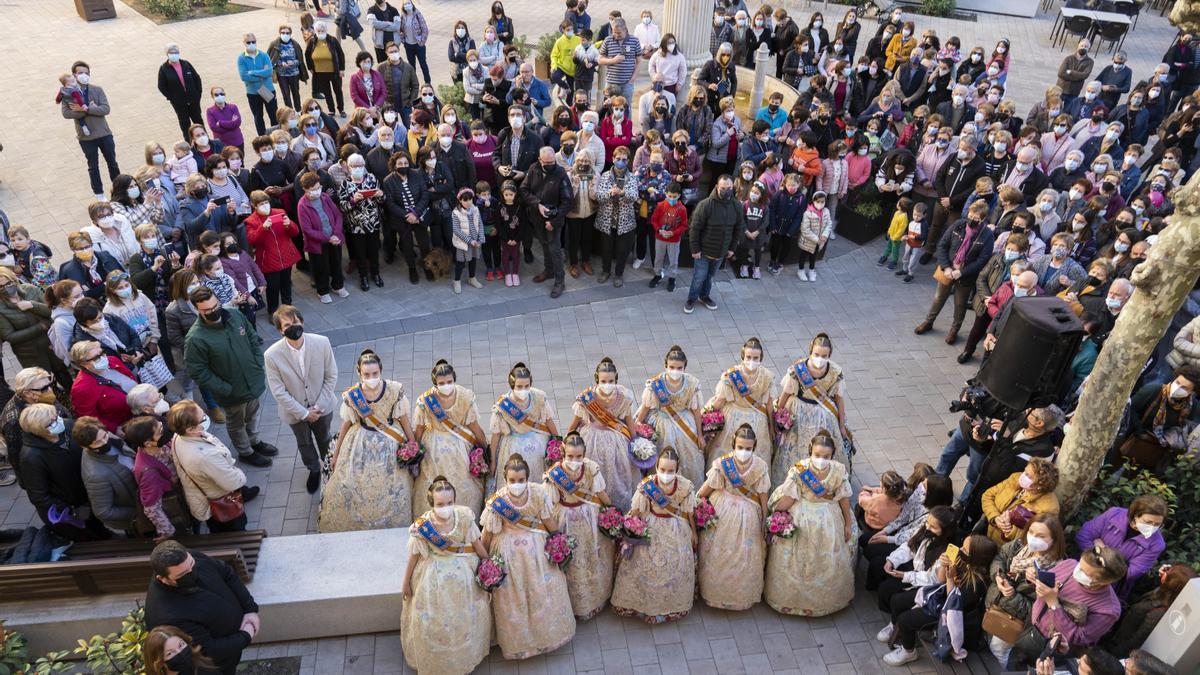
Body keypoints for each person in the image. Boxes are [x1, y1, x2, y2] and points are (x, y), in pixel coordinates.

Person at [481, 453, 576, 658]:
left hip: (537, 550)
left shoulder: (538, 493)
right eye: (512, 480)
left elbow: (549, 522)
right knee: (513, 598)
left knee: (541, 591)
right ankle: (519, 644)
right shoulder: (497, 503)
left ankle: (545, 637)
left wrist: (559, 542)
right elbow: (487, 534)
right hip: (508, 554)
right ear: (505, 480)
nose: (517, 484)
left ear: (527, 478)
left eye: (521, 480)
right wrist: (483, 560)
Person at [400, 476, 492, 674]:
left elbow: (477, 545)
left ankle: (466, 655)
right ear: (432, 503)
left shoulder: (465, 517)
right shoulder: (423, 527)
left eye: (450, 502)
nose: (446, 507)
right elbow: (414, 557)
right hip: (433, 578)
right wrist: (405, 582)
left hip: (464, 576)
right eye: (440, 504)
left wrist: (489, 566)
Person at [320, 348, 414, 531]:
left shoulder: (395, 390)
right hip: (358, 443)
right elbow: (346, 425)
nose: (371, 377)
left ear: (381, 370)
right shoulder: (353, 395)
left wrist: (413, 445)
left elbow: (404, 420)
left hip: (390, 443)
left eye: (375, 373)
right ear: (359, 373)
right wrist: (337, 454)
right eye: (366, 374)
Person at [765, 431, 855, 616]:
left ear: (832, 455)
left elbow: (844, 499)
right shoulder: (802, 470)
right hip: (812, 518)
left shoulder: (836, 470)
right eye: (817, 455)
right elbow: (791, 498)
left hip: (821, 518)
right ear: (810, 452)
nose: (821, 459)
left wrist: (847, 523)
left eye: (826, 456)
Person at [185, 286, 277, 467]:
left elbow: (251, 336)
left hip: (252, 380)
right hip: (231, 392)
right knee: (236, 423)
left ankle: (254, 441)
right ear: (197, 310)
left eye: (215, 306)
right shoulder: (196, 338)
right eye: (207, 310)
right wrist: (224, 388)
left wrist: (258, 363)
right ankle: (246, 452)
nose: (213, 311)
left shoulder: (234, 315)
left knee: (252, 415)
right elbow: (198, 371)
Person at [144, 540, 260, 675]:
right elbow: (207, 649)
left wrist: (249, 609)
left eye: (192, 565)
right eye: (182, 575)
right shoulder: (167, 615)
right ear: (162, 579)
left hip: (234, 645)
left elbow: (226, 573)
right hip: (218, 665)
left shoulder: (187, 558)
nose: (192, 572)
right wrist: (245, 635)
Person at [1005, 545, 1127, 670]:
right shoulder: (1069, 564)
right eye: (1080, 564)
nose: (1077, 570)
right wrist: (1034, 580)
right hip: (1031, 625)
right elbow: (1043, 590)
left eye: (1084, 572)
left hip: (1052, 647)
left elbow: (1079, 637)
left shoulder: (1108, 609)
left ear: (1103, 582)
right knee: (1013, 662)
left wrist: (1053, 603)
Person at [884, 534, 998, 666]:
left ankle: (908, 651)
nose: (960, 549)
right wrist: (944, 565)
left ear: (976, 557)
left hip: (950, 613)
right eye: (962, 545)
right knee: (898, 600)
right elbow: (941, 580)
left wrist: (951, 578)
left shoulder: (976, 583)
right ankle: (895, 629)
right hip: (940, 596)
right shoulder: (963, 561)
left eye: (965, 550)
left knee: (905, 620)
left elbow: (953, 603)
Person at [611, 448, 697, 622]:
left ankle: (671, 606)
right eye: (663, 470)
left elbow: (689, 513)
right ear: (657, 467)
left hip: (676, 529)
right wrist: (628, 529)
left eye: (671, 471)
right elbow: (635, 510)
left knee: (675, 568)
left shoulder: (685, 487)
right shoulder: (647, 486)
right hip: (650, 527)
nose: (666, 474)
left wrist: (694, 532)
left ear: (677, 469)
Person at [263, 306, 336, 494]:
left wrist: (318, 407)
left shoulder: (322, 343)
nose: (293, 326)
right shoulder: (271, 355)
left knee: (325, 438)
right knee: (304, 443)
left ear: (302, 322)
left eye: (295, 322)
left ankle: (329, 465)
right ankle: (314, 469)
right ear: (280, 330)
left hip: (323, 407)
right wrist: (303, 413)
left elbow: (331, 376)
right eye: (287, 325)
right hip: (295, 413)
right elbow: (278, 391)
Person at [697, 424, 769, 610]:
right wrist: (696, 502)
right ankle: (715, 594)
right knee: (717, 553)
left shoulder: (760, 466)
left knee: (744, 555)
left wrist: (764, 518)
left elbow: (762, 494)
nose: (743, 451)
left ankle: (740, 595)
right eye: (740, 447)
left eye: (748, 448)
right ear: (733, 444)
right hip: (722, 511)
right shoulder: (722, 464)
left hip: (748, 514)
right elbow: (708, 487)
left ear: (754, 447)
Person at [543, 432, 614, 619]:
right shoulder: (554, 475)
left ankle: (596, 598)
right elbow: (549, 505)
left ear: (584, 454)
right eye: (570, 456)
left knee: (593, 556)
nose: (574, 460)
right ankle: (575, 604)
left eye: (579, 457)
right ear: (563, 453)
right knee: (574, 563)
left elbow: (601, 493)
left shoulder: (591, 468)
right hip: (565, 519)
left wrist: (613, 512)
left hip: (590, 516)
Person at [19, 403, 112, 541]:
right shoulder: (32, 457)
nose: (58, 422)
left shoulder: (68, 427)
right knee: (86, 537)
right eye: (51, 423)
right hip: (69, 510)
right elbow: (38, 495)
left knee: (98, 527)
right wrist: (70, 511)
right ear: (39, 429)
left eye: (56, 417)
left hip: (86, 497)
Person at [986, 513, 1068, 665]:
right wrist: (998, 575)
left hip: (1011, 620)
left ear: (1054, 540)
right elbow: (1000, 558)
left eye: (1041, 536)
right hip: (994, 606)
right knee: (989, 639)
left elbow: (1037, 612)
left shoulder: (1054, 573)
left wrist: (1013, 595)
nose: (1033, 538)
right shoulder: (1020, 546)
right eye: (1031, 532)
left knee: (998, 651)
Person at [168, 399, 259, 533]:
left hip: (200, 495)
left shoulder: (178, 436)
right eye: (202, 418)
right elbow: (233, 483)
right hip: (219, 501)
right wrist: (238, 473)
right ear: (190, 429)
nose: (206, 418)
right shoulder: (205, 456)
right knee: (234, 529)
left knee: (217, 527)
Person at [914, 200, 996, 344]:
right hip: (948, 270)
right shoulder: (958, 225)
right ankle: (928, 321)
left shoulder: (987, 235)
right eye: (970, 215)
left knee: (960, 303)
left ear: (983, 219)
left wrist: (962, 272)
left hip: (966, 276)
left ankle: (954, 330)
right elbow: (943, 245)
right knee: (939, 297)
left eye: (976, 218)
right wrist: (946, 267)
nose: (972, 220)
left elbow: (982, 260)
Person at [413, 360, 487, 516]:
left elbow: (475, 427)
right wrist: (414, 452)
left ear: (454, 380)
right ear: (435, 383)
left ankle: (464, 518)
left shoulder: (465, 397)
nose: (446, 385)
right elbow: (419, 429)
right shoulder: (425, 401)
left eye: (449, 381)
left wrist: (486, 450)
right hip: (433, 447)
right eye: (441, 383)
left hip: (461, 446)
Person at [774, 333, 848, 486]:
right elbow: (786, 393)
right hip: (798, 410)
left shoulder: (835, 372)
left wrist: (841, 425)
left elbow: (839, 399)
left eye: (824, 355)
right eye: (816, 354)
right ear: (810, 352)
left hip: (823, 416)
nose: (820, 358)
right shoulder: (798, 369)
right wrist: (778, 414)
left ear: (830, 355)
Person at [1075, 495, 1167, 599]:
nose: (1152, 527)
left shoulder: (1156, 544)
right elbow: (1083, 536)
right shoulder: (1114, 514)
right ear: (1135, 515)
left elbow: (1131, 572)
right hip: (1081, 568)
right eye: (1148, 522)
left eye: (1157, 524)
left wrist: (1101, 551)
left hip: (1107, 587)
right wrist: (1118, 563)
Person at [487, 362, 558, 495]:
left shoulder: (539, 397)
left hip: (538, 446)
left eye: (527, 386)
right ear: (512, 384)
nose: (523, 389)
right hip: (512, 447)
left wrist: (558, 444)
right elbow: (496, 436)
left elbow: (548, 421)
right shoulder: (503, 406)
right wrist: (493, 461)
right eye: (519, 386)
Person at [705, 337, 774, 466]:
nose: (751, 361)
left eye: (755, 358)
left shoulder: (767, 377)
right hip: (732, 417)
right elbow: (720, 400)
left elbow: (769, 404)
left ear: (761, 359)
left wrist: (772, 426)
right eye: (748, 357)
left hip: (758, 420)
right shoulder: (731, 376)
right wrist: (708, 413)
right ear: (743, 357)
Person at [1106, 563, 1199, 658]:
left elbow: (1136, 641)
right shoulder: (1164, 593)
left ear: (1172, 584)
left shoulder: (1159, 613)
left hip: (1115, 647)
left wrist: (1110, 655)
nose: (1165, 572)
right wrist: (1160, 578)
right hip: (1114, 635)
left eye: (1169, 572)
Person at [0, 267, 70, 385]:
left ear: (14, 280)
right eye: (1, 287)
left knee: (63, 373)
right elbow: (9, 336)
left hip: (51, 343)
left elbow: (51, 311)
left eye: (8, 283)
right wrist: (41, 327)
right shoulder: (1, 308)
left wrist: (33, 305)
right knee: (44, 382)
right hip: (29, 353)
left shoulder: (30, 289)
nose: (6, 288)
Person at [685, 176, 744, 314]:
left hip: (721, 252)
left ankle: (704, 296)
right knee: (699, 277)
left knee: (710, 277)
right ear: (717, 187)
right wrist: (695, 249)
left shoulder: (736, 206)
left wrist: (732, 249)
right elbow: (694, 228)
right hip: (703, 252)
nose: (726, 191)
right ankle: (691, 299)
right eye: (723, 188)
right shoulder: (705, 205)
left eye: (729, 188)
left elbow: (738, 228)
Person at [61, 62, 119, 200]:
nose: (84, 75)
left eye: (86, 73)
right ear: (74, 75)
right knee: (93, 166)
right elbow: (66, 113)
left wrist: (86, 109)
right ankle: (99, 194)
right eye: (80, 73)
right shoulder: (67, 93)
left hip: (104, 133)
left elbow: (105, 109)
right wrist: (84, 111)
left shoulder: (97, 90)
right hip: (86, 138)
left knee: (112, 162)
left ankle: (119, 189)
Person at [521, 146, 573, 298]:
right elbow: (524, 190)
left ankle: (559, 280)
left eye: (552, 161)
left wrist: (554, 221)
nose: (550, 164)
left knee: (555, 250)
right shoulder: (533, 169)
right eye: (547, 162)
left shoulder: (560, 173)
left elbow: (568, 202)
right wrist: (537, 204)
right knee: (544, 245)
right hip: (537, 217)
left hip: (554, 220)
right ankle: (548, 271)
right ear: (540, 160)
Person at [75, 415, 140, 535]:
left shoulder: (103, 434)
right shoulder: (95, 475)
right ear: (84, 447)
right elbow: (103, 511)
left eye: (105, 436)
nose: (104, 442)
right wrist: (137, 512)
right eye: (97, 443)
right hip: (136, 518)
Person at [980, 457, 1060, 546]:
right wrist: (994, 517)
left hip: (1004, 548)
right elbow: (987, 495)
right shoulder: (1015, 478)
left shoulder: (1049, 508)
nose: (1022, 475)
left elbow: (1035, 539)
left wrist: (1010, 530)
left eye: (1028, 475)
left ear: (1040, 485)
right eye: (1024, 471)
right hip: (987, 531)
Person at [297, 171, 349, 303]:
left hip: (334, 238)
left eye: (318, 188)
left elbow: (337, 215)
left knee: (336, 263)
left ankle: (338, 286)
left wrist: (336, 233)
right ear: (305, 189)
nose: (317, 191)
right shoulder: (302, 205)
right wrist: (328, 238)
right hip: (318, 243)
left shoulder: (325, 197)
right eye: (313, 190)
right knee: (321, 267)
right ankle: (323, 290)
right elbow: (307, 230)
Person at [69, 340, 137, 434]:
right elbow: (89, 419)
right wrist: (115, 429)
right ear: (83, 364)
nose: (103, 358)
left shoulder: (112, 360)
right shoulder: (81, 388)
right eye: (96, 358)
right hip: (128, 426)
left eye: (102, 353)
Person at [593, 145, 638, 287]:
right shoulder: (605, 176)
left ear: (628, 161)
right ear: (612, 159)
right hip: (607, 221)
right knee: (606, 249)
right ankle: (605, 271)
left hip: (625, 223)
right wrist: (610, 193)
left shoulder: (631, 178)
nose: (621, 162)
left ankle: (619, 274)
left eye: (624, 160)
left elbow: (634, 196)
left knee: (622, 251)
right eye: (618, 159)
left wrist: (623, 193)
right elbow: (598, 197)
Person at [157, 44, 204, 142]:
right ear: (167, 54)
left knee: (198, 120)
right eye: (171, 53)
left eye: (176, 52)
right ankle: (189, 143)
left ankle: (204, 139)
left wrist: (198, 93)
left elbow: (196, 78)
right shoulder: (164, 68)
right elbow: (161, 86)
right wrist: (172, 97)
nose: (174, 54)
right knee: (184, 122)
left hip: (193, 100)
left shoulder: (186, 64)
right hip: (179, 102)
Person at [235, 34, 278, 137]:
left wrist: (253, 72)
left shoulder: (263, 55)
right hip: (253, 93)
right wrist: (262, 75)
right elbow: (244, 76)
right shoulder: (241, 58)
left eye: (253, 42)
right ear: (244, 43)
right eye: (248, 42)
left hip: (267, 90)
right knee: (258, 117)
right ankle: (262, 138)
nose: (251, 44)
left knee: (273, 114)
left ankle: (276, 135)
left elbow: (269, 72)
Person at [143, 625, 218, 675]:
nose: (180, 652)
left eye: (181, 645)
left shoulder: (205, 667)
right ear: (160, 662)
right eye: (170, 653)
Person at [598, 18, 640, 102]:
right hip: (611, 83)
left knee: (626, 108)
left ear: (625, 29)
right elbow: (600, 60)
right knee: (608, 107)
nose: (616, 35)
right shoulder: (608, 40)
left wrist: (633, 79)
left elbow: (639, 61)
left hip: (627, 83)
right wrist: (613, 60)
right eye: (614, 32)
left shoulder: (634, 41)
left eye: (619, 33)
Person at [397, 0, 431, 83]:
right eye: (405, 4)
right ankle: (414, 84)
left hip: (418, 45)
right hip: (409, 46)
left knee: (423, 65)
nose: (407, 5)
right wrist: (403, 41)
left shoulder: (417, 15)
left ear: (412, 4)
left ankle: (428, 83)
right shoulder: (403, 17)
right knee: (411, 67)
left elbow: (425, 29)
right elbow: (400, 30)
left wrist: (422, 42)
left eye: (409, 3)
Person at [1057, 40, 1095, 107]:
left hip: (1074, 91)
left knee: (1068, 110)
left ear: (1089, 49)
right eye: (1082, 46)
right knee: (1055, 107)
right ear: (1078, 46)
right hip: (1061, 88)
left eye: (1086, 46)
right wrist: (1077, 78)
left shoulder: (1090, 62)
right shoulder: (1069, 58)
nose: (1083, 48)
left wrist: (1071, 72)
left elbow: (1085, 75)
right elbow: (1061, 73)